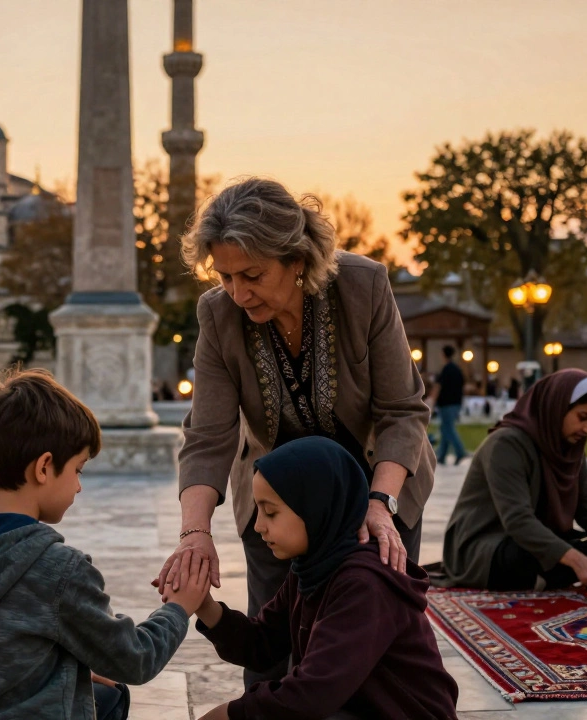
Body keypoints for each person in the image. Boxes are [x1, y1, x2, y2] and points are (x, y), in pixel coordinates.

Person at [157, 178, 435, 686]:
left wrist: (380, 504)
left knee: (375, 651)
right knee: (271, 656)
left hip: (380, 488)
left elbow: (402, 409)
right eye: (224, 276)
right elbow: (208, 435)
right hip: (274, 498)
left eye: (253, 275)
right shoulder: (218, 314)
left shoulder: (363, 285)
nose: (239, 293)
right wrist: (194, 533)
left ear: (298, 259)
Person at [0, 370, 210, 720]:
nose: (79, 487)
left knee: (99, 688)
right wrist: (178, 608)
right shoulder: (56, 568)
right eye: (78, 470)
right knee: (113, 697)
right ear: (44, 468)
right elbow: (135, 659)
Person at [192, 437, 458, 720]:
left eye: (270, 512)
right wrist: (204, 605)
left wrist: (230, 714)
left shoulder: (364, 585)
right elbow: (263, 644)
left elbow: (311, 695)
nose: (258, 525)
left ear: (315, 507)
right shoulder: (311, 568)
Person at [440, 369, 587, 592]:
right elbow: (518, 520)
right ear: (557, 408)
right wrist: (578, 560)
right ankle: (554, 574)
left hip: (536, 540)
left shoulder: (570, 446)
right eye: (583, 417)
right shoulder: (506, 444)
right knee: (524, 557)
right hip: (487, 545)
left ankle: (551, 575)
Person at [431, 345, 468, 465]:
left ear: (443, 354)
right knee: (445, 428)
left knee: (448, 428)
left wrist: (432, 401)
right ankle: (442, 455)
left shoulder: (446, 369)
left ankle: (460, 451)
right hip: (456, 403)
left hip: (446, 403)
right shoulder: (457, 369)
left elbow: (438, 386)